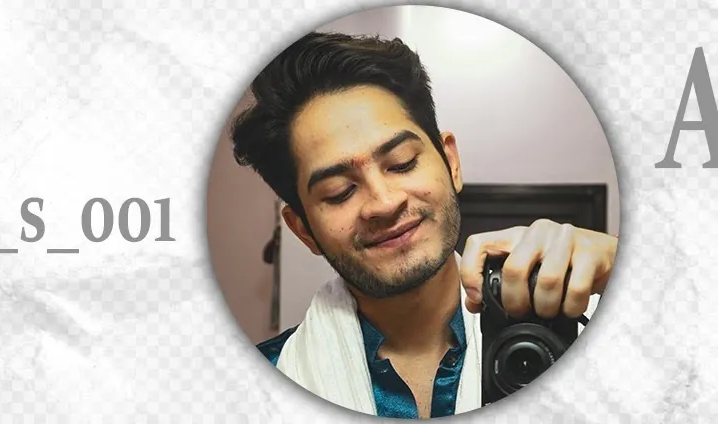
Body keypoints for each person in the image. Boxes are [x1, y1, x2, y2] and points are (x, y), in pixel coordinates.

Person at [231, 32, 619, 419]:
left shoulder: (595, 336)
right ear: (303, 230)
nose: (384, 203)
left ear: (451, 162)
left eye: (402, 163)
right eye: (339, 192)